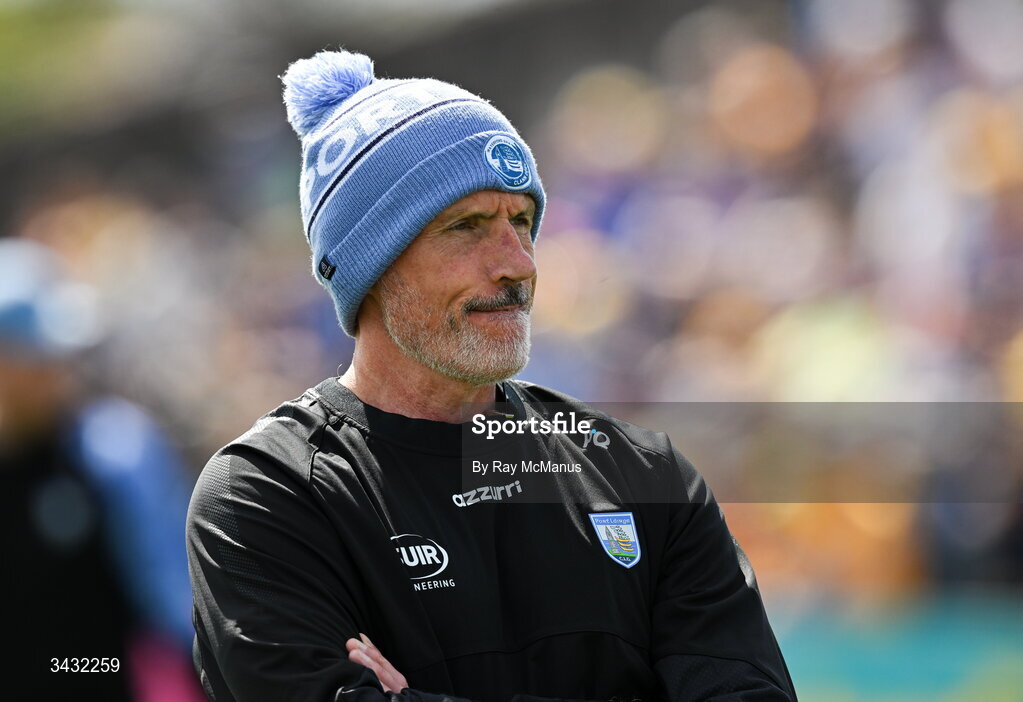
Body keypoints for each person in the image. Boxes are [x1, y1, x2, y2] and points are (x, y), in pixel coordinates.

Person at [186, 50, 798, 702]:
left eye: (523, 222)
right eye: (467, 226)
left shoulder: (642, 476)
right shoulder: (269, 496)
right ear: (369, 262)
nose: (517, 264)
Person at [0, 238, 202, 701]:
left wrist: (68, 667)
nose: (61, 369)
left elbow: (178, 613)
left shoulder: (112, 454)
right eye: (37, 357)